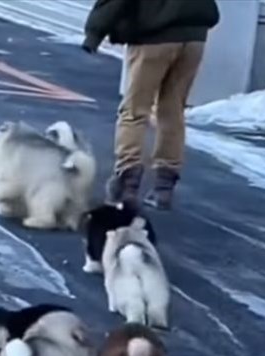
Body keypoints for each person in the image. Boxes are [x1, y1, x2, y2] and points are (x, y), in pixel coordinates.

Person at [83, 0, 220, 210]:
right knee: (173, 110)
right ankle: (164, 187)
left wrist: (95, 33)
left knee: (134, 110)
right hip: (194, 37)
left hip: (153, 37)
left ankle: (126, 181)